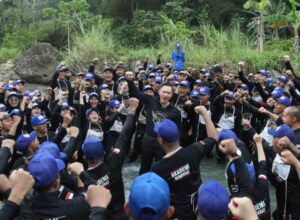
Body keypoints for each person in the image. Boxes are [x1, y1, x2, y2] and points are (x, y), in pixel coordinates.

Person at [151, 106, 217, 219]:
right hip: (198, 206)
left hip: (176, 211)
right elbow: (213, 137)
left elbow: (156, 197)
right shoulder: (194, 150)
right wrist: (205, 114)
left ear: (160, 140)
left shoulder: (158, 168)